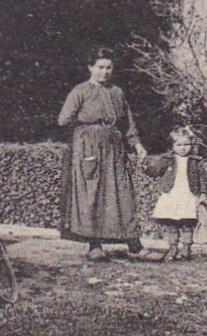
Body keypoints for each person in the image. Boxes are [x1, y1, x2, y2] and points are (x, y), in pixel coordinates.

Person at [58, 47, 147, 261]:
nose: (104, 72)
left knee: (123, 193)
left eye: (109, 68)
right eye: (100, 67)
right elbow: (63, 120)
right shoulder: (81, 91)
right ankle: (94, 246)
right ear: (90, 67)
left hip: (115, 149)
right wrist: (85, 135)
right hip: (90, 149)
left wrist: (137, 145)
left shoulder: (117, 92)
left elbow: (128, 123)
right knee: (92, 196)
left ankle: (134, 245)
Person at [142, 126, 207, 262]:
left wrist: (203, 193)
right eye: (179, 145)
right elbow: (155, 171)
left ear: (191, 144)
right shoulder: (167, 159)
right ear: (173, 145)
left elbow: (202, 178)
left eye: (186, 144)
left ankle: (186, 250)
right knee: (171, 223)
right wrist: (145, 167)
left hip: (188, 196)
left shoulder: (195, 161)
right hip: (172, 196)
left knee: (187, 224)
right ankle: (172, 249)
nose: (183, 148)